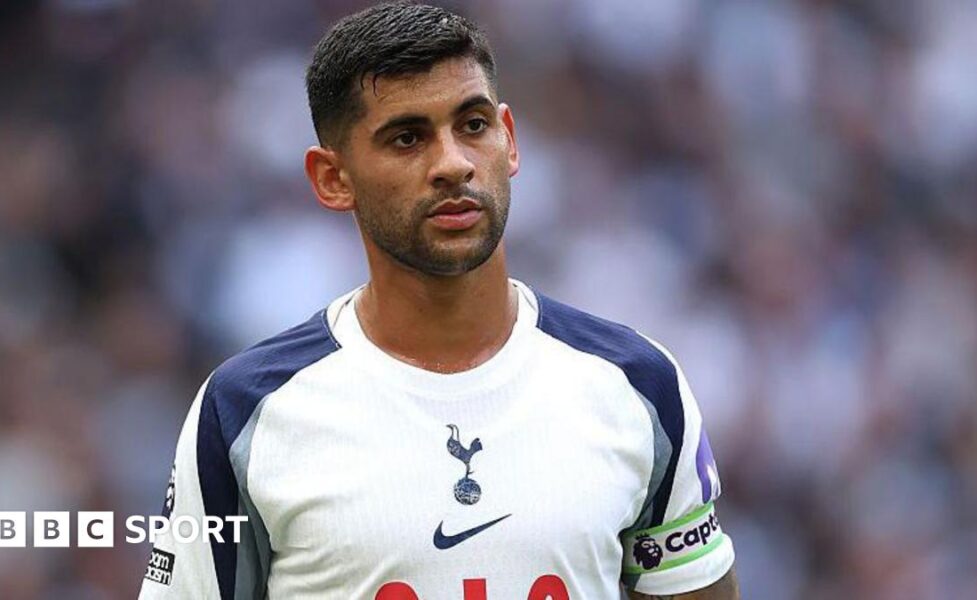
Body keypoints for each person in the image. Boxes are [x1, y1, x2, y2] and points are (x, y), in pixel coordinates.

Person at [138, 2, 738, 598]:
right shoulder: (246, 411)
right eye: (407, 138)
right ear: (332, 178)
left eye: (472, 126)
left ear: (508, 140)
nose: (453, 164)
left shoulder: (637, 385)